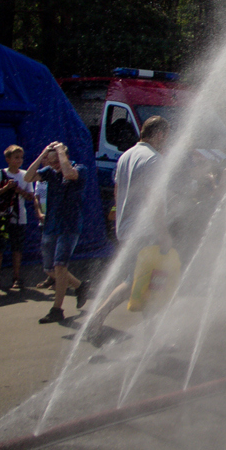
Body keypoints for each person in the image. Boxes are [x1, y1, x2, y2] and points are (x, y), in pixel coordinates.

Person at [84, 116, 170, 342]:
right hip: (145, 231)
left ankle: (97, 318)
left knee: (136, 281)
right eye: (166, 136)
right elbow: (154, 198)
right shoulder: (154, 159)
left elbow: (117, 190)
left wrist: (118, 220)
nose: (166, 141)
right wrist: (163, 234)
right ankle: (150, 338)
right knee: (145, 282)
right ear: (159, 134)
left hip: (126, 228)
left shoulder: (126, 156)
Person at [24, 142, 89, 324]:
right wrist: (42, 155)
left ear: (64, 156)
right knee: (49, 268)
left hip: (69, 225)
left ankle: (56, 309)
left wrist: (60, 152)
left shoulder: (79, 169)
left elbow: (68, 174)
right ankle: (80, 286)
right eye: (50, 162)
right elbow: (29, 177)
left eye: (56, 161)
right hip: (52, 224)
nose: (54, 166)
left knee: (60, 266)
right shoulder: (50, 172)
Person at [0, 145, 36, 291]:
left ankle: (16, 278)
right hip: (2, 217)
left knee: (17, 249)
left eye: (21, 157)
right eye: (16, 157)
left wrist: (19, 190)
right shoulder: (0, 173)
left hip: (19, 218)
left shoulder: (26, 175)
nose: (19, 160)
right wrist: (7, 187)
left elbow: (30, 197)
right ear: (8, 159)